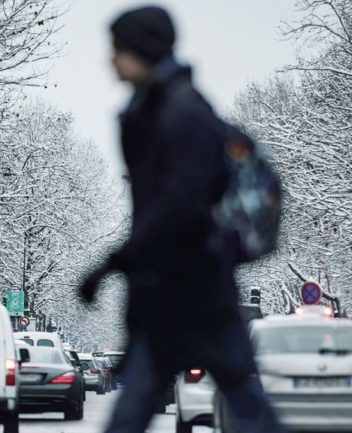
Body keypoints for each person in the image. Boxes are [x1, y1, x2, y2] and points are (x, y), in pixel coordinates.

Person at [78, 6, 285, 433]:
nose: (109, 60)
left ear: (142, 51)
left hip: (194, 295)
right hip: (174, 295)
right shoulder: (157, 111)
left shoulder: (182, 115)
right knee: (240, 409)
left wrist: (113, 262)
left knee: (245, 412)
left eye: (117, 49)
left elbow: (179, 205)